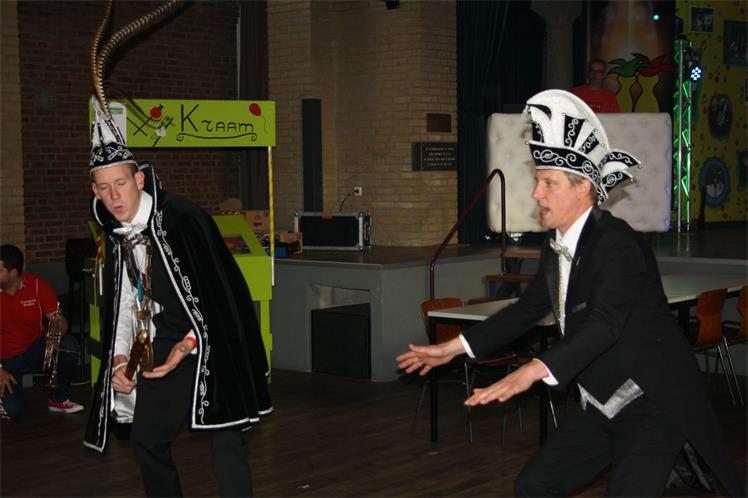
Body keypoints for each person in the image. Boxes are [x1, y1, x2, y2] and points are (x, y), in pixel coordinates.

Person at [398, 90, 743, 497]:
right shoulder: (555, 244)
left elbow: (605, 323)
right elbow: (526, 310)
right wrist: (452, 348)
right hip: (600, 403)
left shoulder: (617, 243)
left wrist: (533, 369)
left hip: (652, 403)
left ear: (583, 189)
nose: (536, 193)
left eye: (548, 183)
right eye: (537, 181)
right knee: (534, 486)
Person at [82, 102, 273, 497]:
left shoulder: (183, 219)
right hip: (166, 337)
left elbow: (221, 298)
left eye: (121, 183)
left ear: (139, 179)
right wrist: (120, 358)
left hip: (215, 340)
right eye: (104, 188)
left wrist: (187, 345)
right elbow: (124, 304)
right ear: (95, 191)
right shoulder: (117, 234)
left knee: (227, 444)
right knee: (145, 439)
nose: (114, 196)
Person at [0, 244, 84, 419]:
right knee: (12, 410)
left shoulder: (37, 285)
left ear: (13, 273)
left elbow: (61, 323)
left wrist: (57, 327)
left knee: (68, 346)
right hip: (4, 360)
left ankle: (58, 399)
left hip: (32, 350)